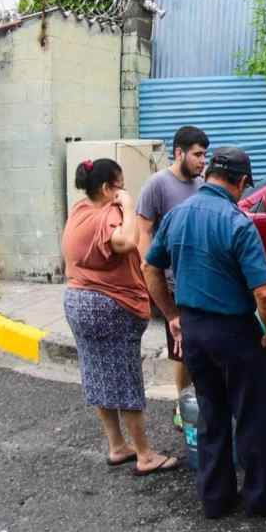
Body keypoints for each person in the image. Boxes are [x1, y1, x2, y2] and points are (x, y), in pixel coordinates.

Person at [143, 146, 266, 519]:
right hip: (233, 333)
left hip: (194, 330)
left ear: (209, 173)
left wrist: (171, 315)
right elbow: (264, 292)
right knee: (254, 415)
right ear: (243, 182)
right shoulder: (237, 222)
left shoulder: (176, 215)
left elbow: (151, 269)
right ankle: (262, 499)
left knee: (210, 413)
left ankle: (216, 499)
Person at [61, 158, 179, 476]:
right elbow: (127, 242)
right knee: (125, 380)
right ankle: (144, 454)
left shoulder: (79, 210)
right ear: (107, 189)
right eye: (121, 184)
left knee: (99, 373)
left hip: (77, 302)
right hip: (109, 306)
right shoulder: (112, 215)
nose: (125, 190)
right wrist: (127, 204)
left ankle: (116, 446)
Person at [136, 125, 209, 430]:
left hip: (201, 281)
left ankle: (204, 400)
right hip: (172, 284)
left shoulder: (201, 183)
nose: (202, 161)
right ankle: (183, 405)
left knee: (203, 347)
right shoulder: (157, 185)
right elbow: (143, 231)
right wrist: (149, 272)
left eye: (205, 154)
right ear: (179, 152)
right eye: (197, 154)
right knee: (181, 351)